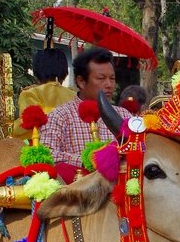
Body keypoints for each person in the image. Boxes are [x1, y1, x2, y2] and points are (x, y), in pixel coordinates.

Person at [40, 47, 131, 180]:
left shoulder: (124, 115)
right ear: (81, 82)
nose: (109, 84)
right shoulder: (60, 116)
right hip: (78, 195)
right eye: (101, 78)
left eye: (112, 78)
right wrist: (86, 160)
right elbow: (46, 154)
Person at [13, 48, 76, 138]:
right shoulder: (74, 95)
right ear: (65, 72)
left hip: (43, 148)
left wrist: (5, 129)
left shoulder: (31, 93)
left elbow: (25, 124)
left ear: (37, 72)